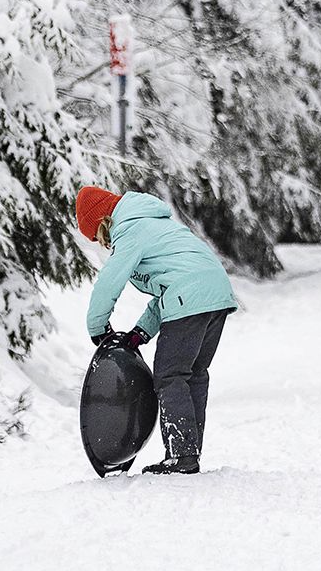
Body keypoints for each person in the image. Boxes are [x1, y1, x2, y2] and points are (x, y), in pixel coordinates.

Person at [77, 186, 239, 475]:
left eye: (97, 237)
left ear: (102, 222)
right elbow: (172, 286)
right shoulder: (153, 223)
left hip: (191, 297)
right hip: (217, 294)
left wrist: (97, 327)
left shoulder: (129, 229)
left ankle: (182, 455)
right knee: (194, 376)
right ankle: (187, 453)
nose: (101, 244)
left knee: (169, 375)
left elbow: (109, 282)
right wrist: (141, 332)